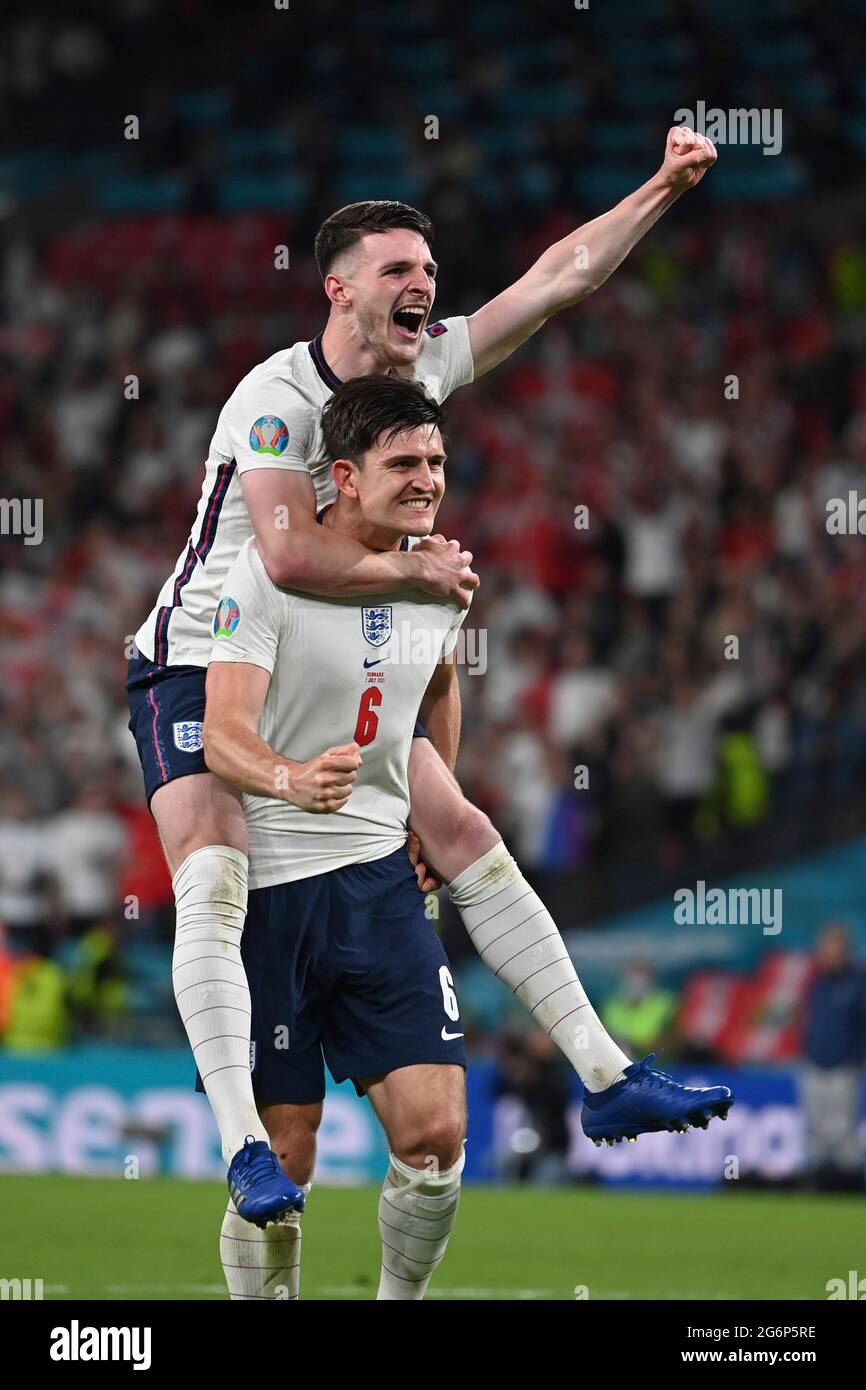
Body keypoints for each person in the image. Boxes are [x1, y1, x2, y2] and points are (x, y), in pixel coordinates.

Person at [127, 127, 719, 1220]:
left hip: (338, 645)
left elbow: (557, 280)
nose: (424, 289)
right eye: (399, 272)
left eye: (430, 274)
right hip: (202, 655)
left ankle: (605, 1074)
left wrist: (661, 188)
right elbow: (289, 555)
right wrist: (419, 575)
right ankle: (245, 1144)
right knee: (211, 869)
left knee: (463, 832)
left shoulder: (421, 367)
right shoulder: (275, 399)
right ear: (339, 289)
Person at [203, 376, 733, 1299]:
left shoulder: (437, 582)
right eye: (403, 462)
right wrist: (288, 777)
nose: (426, 479)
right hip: (275, 891)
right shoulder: (269, 574)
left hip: (375, 888)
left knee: (439, 1137)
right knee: (284, 1168)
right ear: (344, 476)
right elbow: (220, 735)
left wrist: (417, 802)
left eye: (438, 461)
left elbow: (439, 687)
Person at [801, 922, 866, 1192]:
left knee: (844, 1131)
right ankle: (817, 1185)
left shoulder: (856, 983)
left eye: (834, 947)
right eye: (825, 947)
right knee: (815, 1130)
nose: (828, 953)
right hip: (815, 1066)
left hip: (844, 1069)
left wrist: (855, 1058)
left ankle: (850, 1186)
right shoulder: (817, 983)